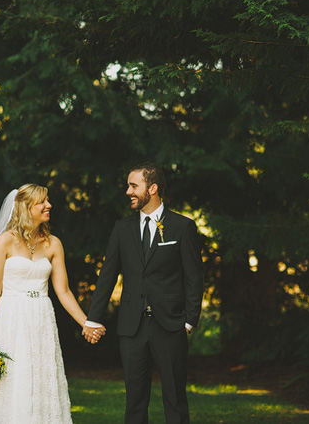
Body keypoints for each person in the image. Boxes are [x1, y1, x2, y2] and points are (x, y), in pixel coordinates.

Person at [83, 163, 204, 424]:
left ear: (153, 188)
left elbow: (194, 278)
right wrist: (93, 318)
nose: (128, 191)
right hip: (131, 327)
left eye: (133, 186)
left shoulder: (183, 227)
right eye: (128, 186)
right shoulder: (122, 228)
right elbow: (107, 276)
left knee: (175, 399)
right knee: (135, 400)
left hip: (171, 325)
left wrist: (189, 321)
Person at [0, 184, 105, 423]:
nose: (49, 205)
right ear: (26, 208)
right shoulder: (4, 242)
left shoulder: (53, 243)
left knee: (44, 378)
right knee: (14, 380)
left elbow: (63, 291)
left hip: (42, 318)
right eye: (42, 202)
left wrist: (86, 323)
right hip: (12, 317)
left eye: (48, 201)